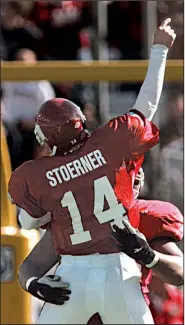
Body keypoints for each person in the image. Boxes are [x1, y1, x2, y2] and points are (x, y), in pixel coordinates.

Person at [8, 19, 176, 324]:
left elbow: (27, 221)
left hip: (72, 274)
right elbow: (147, 105)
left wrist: (50, 203)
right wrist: (160, 49)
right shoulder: (111, 146)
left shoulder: (40, 179)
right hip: (120, 272)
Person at [18, 168, 183, 324]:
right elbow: (32, 265)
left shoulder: (146, 217)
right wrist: (33, 284)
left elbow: (180, 273)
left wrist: (149, 256)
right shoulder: (74, 217)